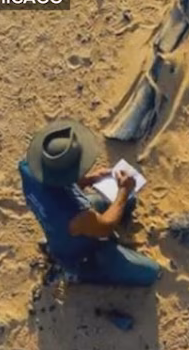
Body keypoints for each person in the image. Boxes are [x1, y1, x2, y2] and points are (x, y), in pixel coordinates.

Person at [18, 119, 161, 287]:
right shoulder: (77, 214)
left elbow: (57, 186)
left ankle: (55, 244)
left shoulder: (28, 167)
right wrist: (123, 190)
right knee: (150, 272)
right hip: (79, 252)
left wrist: (92, 179)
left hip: (59, 227)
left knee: (126, 201)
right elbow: (106, 226)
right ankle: (77, 273)